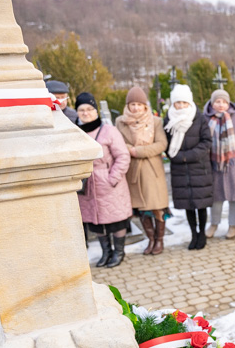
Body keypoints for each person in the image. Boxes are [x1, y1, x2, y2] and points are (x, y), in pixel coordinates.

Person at [75, 92, 133, 268]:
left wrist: (112, 178)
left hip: (108, 182)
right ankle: (106, 252)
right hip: (87, 184)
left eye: (90, 109)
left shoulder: (108, 131)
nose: (86, 113)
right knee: (96, 221)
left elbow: (123, 156)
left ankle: (119, 252)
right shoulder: (75, 131)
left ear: (96, 111)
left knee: (116, 220)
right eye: (82, 110)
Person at [116, 86, 169, 255]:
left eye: (139, 104)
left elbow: (161, 144)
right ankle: (151, 240)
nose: (136, 108)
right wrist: (129, 148)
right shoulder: (120, 122)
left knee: (157, 206)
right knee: (142, 208)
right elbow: (117, 143)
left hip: (153, 171)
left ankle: (159, 240)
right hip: (134, 171)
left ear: (145, 105)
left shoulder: (155, 121)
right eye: (133, 104)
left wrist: (137, 151)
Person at [163, 84, 214, 251]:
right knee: (189, 206)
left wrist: (187, 156)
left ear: (189, 102)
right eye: (178, 103)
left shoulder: (199, 118)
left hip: (199, 167)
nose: (181, 106)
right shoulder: (168, 119)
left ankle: (202, 234)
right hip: (180, 170)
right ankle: (194, 234)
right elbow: (166, 144)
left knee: (201, 205)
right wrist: (175, 156)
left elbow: (206, 141)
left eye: (184, 103)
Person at [202, 89, 235, 240]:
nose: (221, 105)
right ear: (212, 103)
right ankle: (214, 224)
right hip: (215, 167)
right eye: (218, 102)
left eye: (224, 102)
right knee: (216, 198)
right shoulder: (206, 120)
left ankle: (232, 226)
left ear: (229, 103)